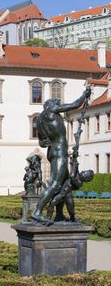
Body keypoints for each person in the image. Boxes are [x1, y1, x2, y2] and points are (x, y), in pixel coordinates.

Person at [31, 86, 91, 224]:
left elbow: (41, 142)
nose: (58, 104)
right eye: (55, 102)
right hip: (59, 152)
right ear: (50, 106)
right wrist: (84, 95)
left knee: (66, 188)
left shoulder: (39, 119)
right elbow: (75, 105)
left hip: (53, 151)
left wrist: (46, 141)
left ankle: (59, 214)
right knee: (55, 185)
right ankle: (37, 212)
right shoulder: (51, 111)